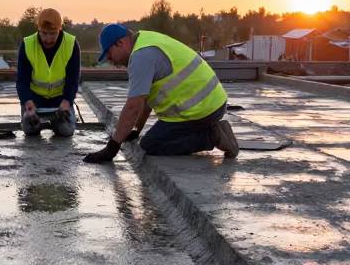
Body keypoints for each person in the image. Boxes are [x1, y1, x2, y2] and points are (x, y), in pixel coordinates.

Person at [83, 23, 239, 163]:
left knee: (152, 144)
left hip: (203, 109)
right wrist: (137, 130)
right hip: (211, 104)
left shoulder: (140, 57)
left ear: (120, 43)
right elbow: (145, 101)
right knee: (151, 139)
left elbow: (133, 107)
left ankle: (213, 136)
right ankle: (210, 130)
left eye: (109, 55)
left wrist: (112, 147)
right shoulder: (145, 40)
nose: (111, 61)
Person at [16, 7, 81, 138]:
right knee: (30, 129)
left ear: (60, 30)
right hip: (35, 100)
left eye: (53, 34)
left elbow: (73, 79)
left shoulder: (71, 44)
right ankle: (37, 121)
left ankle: (57, 123)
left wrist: (67, 102)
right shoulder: (27, 45)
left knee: (66, 131)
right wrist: (28, 106)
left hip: (60, 100)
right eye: (44, 33)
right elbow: (22, 81)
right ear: (38, 30)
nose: (48, 39)